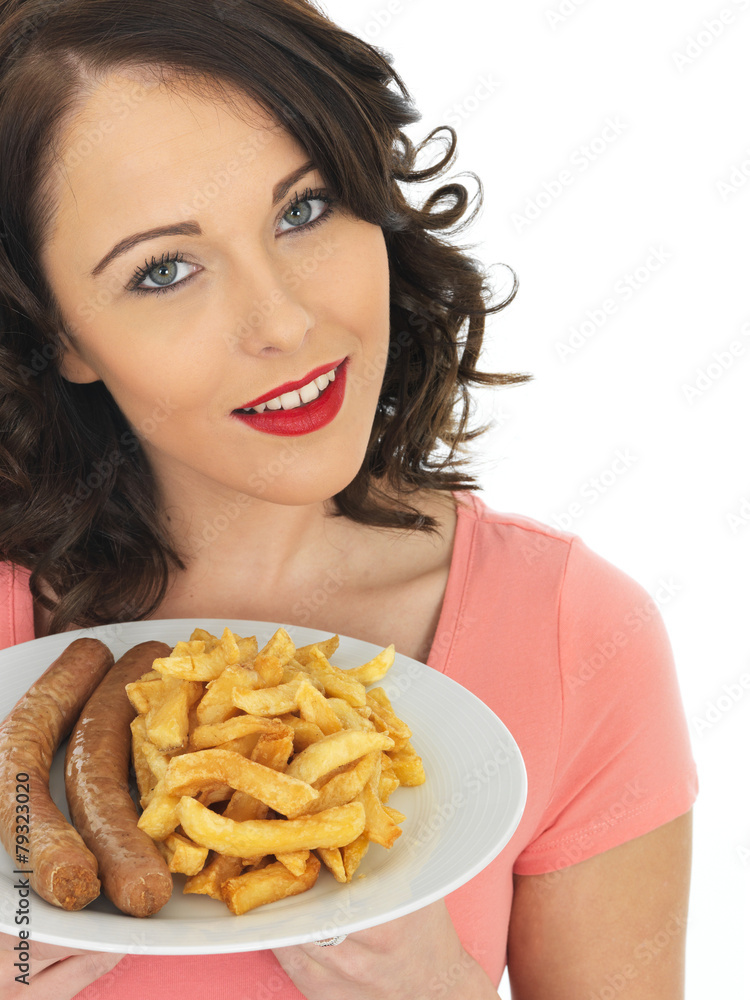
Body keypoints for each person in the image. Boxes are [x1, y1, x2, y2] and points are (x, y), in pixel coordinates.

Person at [0, 1, 698, 998]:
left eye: (303, 208)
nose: (283, 319)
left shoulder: (577, 634)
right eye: (164, 269)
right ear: (57, 331)